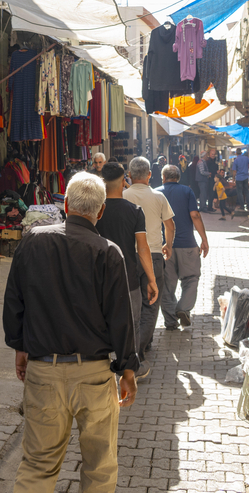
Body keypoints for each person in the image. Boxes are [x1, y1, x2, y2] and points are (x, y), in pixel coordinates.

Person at [3, 172, 138, 493]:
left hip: (44, 370)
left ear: (65, 204)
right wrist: (127, 369)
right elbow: (121, 318)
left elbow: (14, 302)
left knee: (37, 466)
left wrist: (20, 347)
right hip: (93, 375)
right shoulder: (108, 252)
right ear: (101, 211)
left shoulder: (33, 241)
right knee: (99, 467)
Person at [95, 162, 158, 378]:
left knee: (99, 322)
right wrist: (151, 279)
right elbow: (142, 248)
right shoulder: (134, 211)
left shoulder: (95, 210)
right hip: (127, 277)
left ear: (102, 182)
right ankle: (131, 368)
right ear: (124, 181)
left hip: (98, 278)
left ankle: (99, 368)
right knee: (132, 324)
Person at [123, 156, 176, 347]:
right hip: (153, 256)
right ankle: (138, 350)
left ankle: (138, 346)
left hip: (128, 257)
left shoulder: (122, 196)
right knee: (151, 305)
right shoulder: (158, 197)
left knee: (131, 304)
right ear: (150, 175)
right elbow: (170, 225)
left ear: (129, 175)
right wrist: (168, 245)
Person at [156, 165, 210, 329]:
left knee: (167, 285)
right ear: (178, 177)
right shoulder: (187, 192)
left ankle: (171, 321)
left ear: (163, 177)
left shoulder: (156, 192)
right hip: (187, 245)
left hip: (164, 247)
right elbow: (195, 215)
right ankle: (183, 308)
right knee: (191, 279)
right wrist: (204, 239)